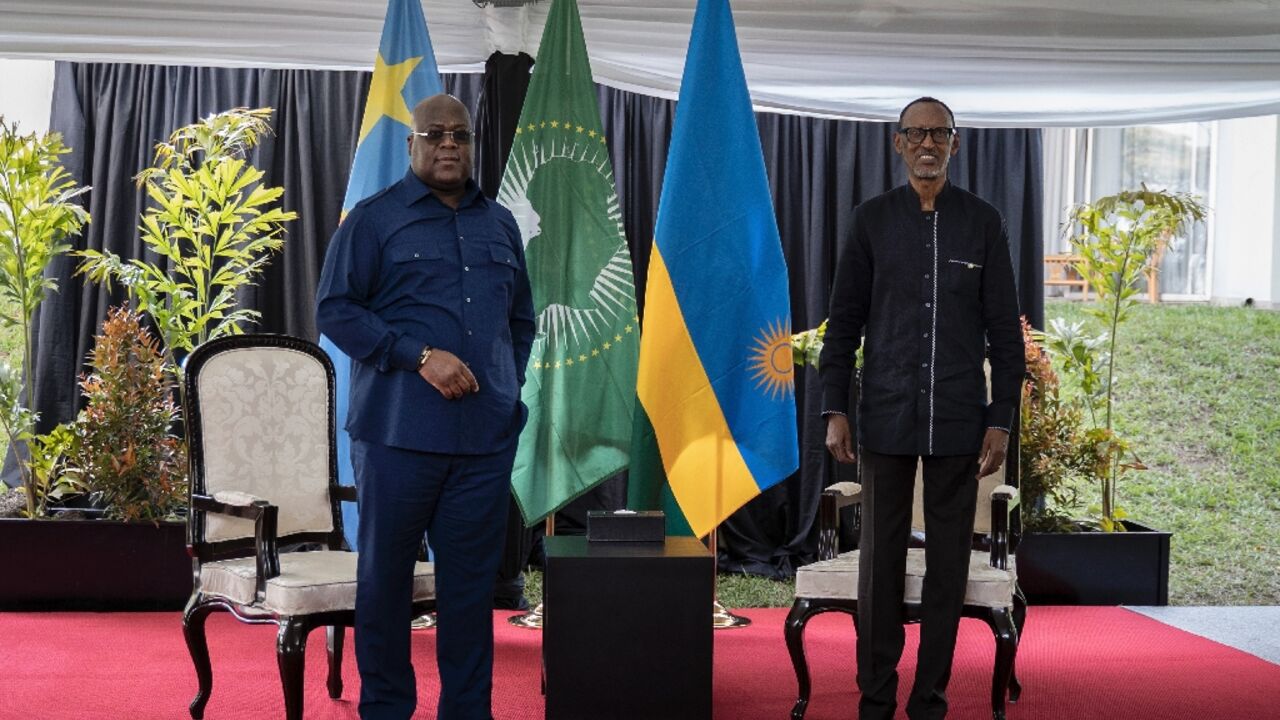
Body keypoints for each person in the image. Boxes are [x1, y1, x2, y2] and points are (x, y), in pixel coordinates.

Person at [316, 93, 535, 720]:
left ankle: (467, 711)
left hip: (482, 445)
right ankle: (386, 708)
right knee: (385, 583)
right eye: (435, 134)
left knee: (470, 590)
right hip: (397, 439)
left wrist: (505, 388)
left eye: (460, 135)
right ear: (411, 144)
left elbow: (520, 320)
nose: (449, 145)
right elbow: (335, 310)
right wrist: (417, 356)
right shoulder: (373, 220)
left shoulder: (500, 224)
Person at [818, 96, 1024, 720]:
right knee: (879, 565)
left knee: (947, 568)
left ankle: (929, 699)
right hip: (885, 416)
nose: (927, 144)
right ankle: (875, 698)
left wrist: (1000, 418)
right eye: (916, 133)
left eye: (939, 134)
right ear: (898, 143)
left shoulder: (982, 222)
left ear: (955, 144)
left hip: (960, 421)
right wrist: (835, 406)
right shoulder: (871, 221)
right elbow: (843, 323)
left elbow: (1005, 335)